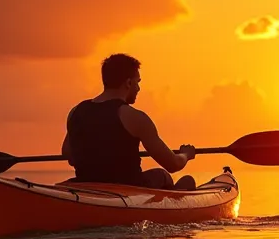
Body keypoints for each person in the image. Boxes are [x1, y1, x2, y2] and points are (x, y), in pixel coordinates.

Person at [60, 53, 198, 190]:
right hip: (128, 189)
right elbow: (172, 164)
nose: (138, 88)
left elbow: (68, 155)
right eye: (138, 82)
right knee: (168, 176)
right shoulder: (134, 117)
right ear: (128, 83)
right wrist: (186, 154)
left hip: (85, 186)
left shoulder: (76, 111)